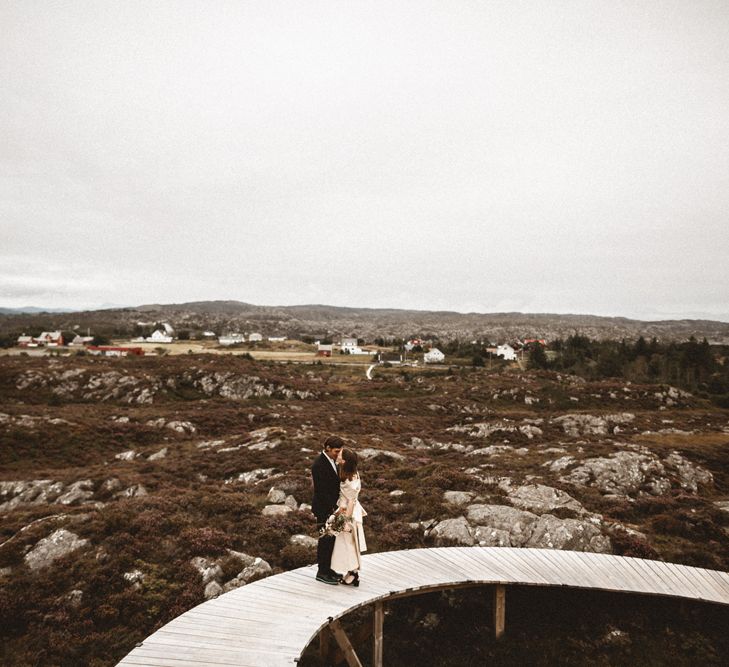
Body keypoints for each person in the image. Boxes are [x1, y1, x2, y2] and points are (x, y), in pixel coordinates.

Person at [331, 447, 367, 586]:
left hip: (348, 513)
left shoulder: (350, 479)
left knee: (349, 544)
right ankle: (350, 571)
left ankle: (353, 573)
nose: (337, 454)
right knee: (347, 544)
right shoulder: (349, 472)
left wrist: (346, 521)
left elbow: (351, 501)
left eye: (339, 454)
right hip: (345, 510)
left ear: (344, 460)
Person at [311, 435, 344, 585]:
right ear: (328, 448)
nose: (338, 454)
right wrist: (333, 508)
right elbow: (321, 491)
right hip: (324, 509)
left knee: (331, 540)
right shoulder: (318, 465)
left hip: (332, 508)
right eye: (336, 451)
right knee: (325, 540)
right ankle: (321, 571)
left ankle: (328, 569)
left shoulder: (332, 461)